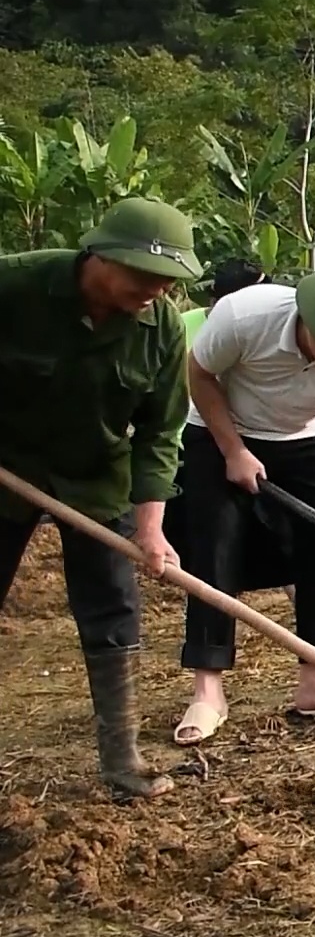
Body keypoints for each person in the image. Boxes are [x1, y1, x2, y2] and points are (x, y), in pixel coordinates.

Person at [0, 199, 200, 797]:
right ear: (99, 256)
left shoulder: (161, 326)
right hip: (7, 469)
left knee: (113, 608)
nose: (158, 289)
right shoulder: (16, 284)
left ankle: (122, 760)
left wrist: (152, 527)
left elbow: (162, 433)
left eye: (168, 280)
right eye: (143, 276)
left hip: (95, 478)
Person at [170, 266, 315, 746]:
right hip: (220, 431)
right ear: (310, 323)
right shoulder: (244, 315)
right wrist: (233, 450)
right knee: (215, 543)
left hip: (307, 437)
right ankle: (208, 689)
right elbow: (200, 372)